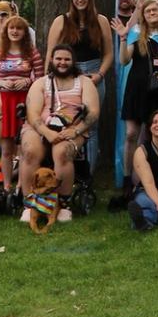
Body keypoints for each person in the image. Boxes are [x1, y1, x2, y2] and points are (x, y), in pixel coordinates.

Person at [20, 45, 101, 222]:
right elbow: (32, 114)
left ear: (73, 62)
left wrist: (75, 130)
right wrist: (47, 133)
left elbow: (93, 112)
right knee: (30, 151)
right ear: (52, 60)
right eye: (59, 59)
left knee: (62, 152)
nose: (62, 62)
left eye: (67, 59)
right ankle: (29, 203)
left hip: (73, 128)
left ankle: (63, 203)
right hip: (39, 127)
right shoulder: (41, 83)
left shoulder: (84, 82)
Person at [116, 0, 158, 180]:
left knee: (155, 134)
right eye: (148, 11)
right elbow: (124, 60)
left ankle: (155, 177)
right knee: (131, 134)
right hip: (136, 89)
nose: (152, 13)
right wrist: (123, 38)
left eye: (155, 9)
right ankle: (127, 177)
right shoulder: (136, 33)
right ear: (143, 16)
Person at [0, 12, 44, 184]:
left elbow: (41, 80)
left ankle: (21, 184)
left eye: (19, 28)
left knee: (22, 147)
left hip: (25, 103)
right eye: (12, 28)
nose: (15, 31)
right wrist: (1, 83)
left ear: (25, 32)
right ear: (6, 31)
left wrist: (27, 81)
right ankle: (6, 185)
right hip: (4, 103)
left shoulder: (32, 53)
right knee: (6, 148)